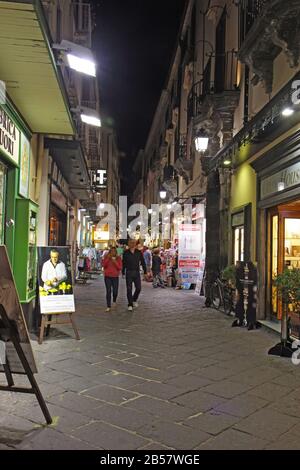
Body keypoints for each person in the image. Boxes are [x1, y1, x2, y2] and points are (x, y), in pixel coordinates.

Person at [122, 239, 147, 311]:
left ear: (135, 244)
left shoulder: (138, 252)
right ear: (128, 244)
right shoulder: (126, 253)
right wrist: (123, 272)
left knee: (138, 288)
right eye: (130, 243)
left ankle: (134, 299)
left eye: (133, 243)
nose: (132, 244)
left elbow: (143, 262)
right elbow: (123, 263)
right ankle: (130, 304)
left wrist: (145, 271)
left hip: (136, 272)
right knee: (129, 289)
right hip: (129, 272)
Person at [102, 247, 122, 312]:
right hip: (107, 276)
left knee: (115, 291)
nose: (113, 253)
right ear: (109, 252)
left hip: (115, 277)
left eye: (114, 251)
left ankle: (114, 300)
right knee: (108, 291)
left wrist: (114, 261)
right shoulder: (106, 257)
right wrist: (108, 259)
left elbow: (119, 267)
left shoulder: (118, 258)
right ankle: (108, 306)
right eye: (111, 251)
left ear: (116, 252)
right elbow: (104, 265)